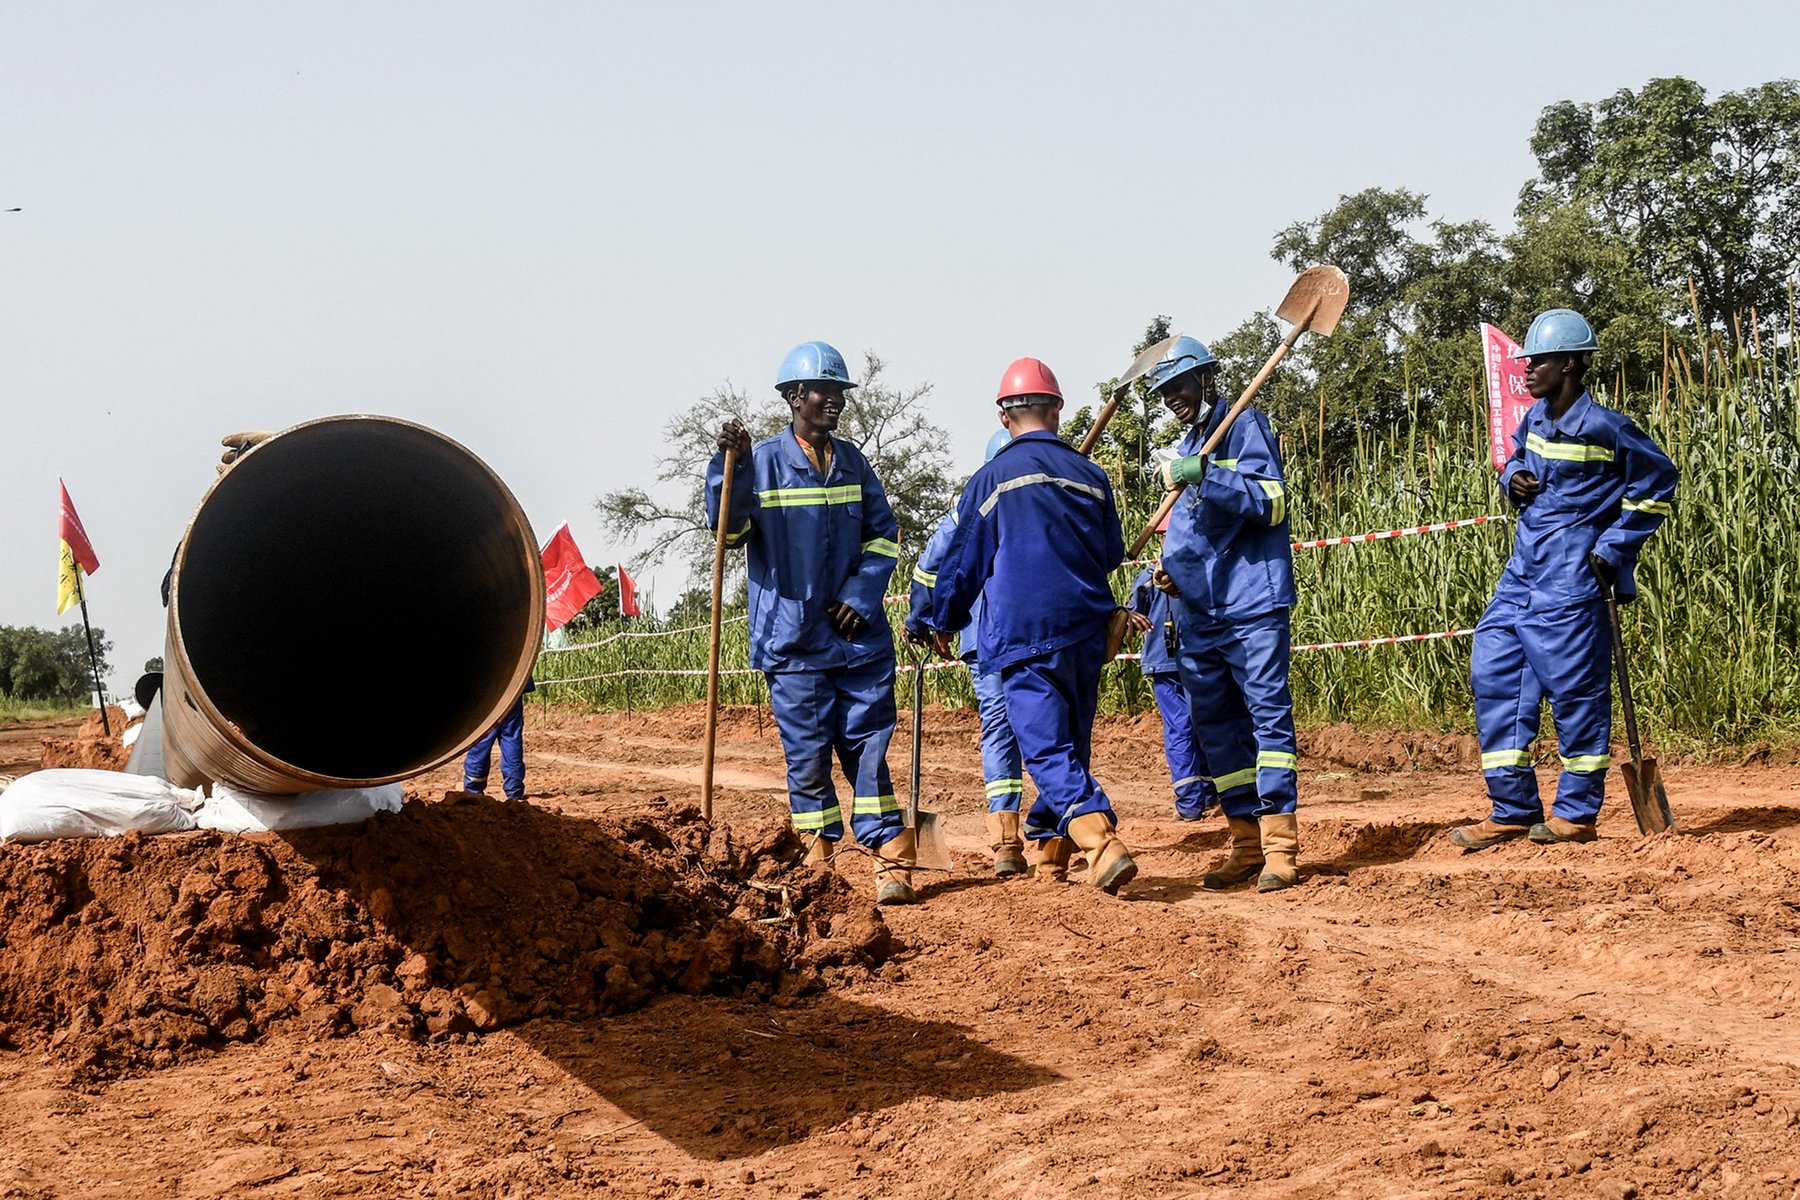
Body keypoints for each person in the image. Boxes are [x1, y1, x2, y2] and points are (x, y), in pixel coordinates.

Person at [1452, 308, 1678, 850]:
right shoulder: (1535, 420)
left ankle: (1576, 813)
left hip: (1572, 580)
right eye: (1526, 360)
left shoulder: (1606, 426)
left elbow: (1659, 484)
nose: (1527, 370)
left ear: (1572, 364)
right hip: (1521, 575)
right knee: (1493, 673)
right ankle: (1511, 808)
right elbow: (1512, 459)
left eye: (1540, 361)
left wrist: (1614, 547)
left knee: (1576, 694)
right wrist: (1514, 477)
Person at [919, 357, 1137, 894]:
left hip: (1023, 635)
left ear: (1003, 416)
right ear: (1057, 410)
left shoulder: (990, 479)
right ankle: (1049, 850)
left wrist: (938, 618)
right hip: (1087, 630)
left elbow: (963, 563)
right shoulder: (1092, 476)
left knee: (1042, 749)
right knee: (1069, 744)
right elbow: (1111, 554)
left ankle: (1101, 840)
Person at [709, 341, 915, 905]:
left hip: (856, 640)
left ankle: (889, 857)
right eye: (826, 391)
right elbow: (728, 533)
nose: (836, 402)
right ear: (795, 397)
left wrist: (862, 594)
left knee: (869, 747)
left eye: (841, 393)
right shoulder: (763, 463)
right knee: (807, 760)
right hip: (793, 641)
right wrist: (728, 468)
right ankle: (818, 867)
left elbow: (882, 536)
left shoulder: (853, 462)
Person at [1149, 335, 1301, 893]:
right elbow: (1193, 537)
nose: (1173, 399)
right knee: (1218, 732)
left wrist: (1205, 474)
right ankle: (1245, 843)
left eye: (1180, 386)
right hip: (1198, 612)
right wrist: (1171, 571)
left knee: (1267, 719)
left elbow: (1272, 503)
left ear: (1207, 378)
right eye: (1165, 392)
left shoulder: (1245, 425)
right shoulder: (1188, 446)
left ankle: (1281, 849)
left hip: (1252, 604)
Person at [906, 428, 1029, 878]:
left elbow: (928, 568)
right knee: (1047, 727)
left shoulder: (969, 507)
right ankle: (1059, 836)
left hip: (987, 639)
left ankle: (1006, 843)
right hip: (1038, 636)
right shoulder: (1044, 503)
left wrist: (920, 618)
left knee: (999, 730)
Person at [1128, 555, 1218, 822]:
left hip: (1163, 661)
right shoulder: (1200, 569)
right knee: (1205, 722)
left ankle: (1191, 802)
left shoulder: (1147, 577)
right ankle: (1210, 794)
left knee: (1179, 728)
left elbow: (1133, 614)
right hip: (1198, 659)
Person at [463, 673, 535, 801]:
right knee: (511, 738)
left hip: (488, 692)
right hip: (514, 689)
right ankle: (514, 791)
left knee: (481, 739)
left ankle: (473, 788)